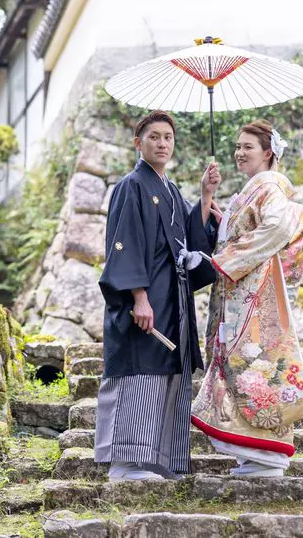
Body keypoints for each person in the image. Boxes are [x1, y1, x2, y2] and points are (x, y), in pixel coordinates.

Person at [94, 110, 221, 481]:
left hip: (173, 299)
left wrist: (206, 195)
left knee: (166, 373)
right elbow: (125, 244)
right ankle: (124, 463)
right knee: (140, 373)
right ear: (138, 143)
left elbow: (191, 241)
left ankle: (156, 462)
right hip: (147, 299)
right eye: (154, 137)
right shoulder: (131, 186)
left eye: (168, 137)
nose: (162, 143)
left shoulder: (170, 190)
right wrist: (138, 297)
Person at [190, 119, 303, 478]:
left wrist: (228, 259)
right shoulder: (254, 189)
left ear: (269, 153)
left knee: (255, 368)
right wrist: (216, 207)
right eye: (238, 146)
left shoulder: (269, 187)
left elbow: (276, 227)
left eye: (248, 146)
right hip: (241, 293)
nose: (239, 152)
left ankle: (266, 457)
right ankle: (254, 456)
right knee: (244, 368)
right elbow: (249, 229)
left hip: (252, 295)